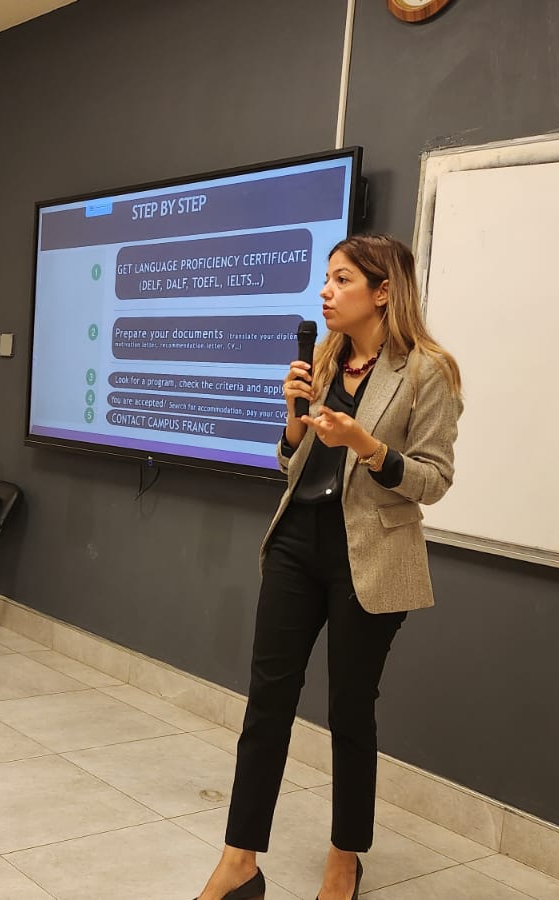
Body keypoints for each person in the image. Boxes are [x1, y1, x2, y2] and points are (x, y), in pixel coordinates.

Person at [195, 234, 463, 900]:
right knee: (267, 703)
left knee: (349, 710)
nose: (326, 291)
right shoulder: (323, 357)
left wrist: (367, 446)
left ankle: (345, 859)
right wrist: (292, 427)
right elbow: (296, 465)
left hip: (368, 554)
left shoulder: (427, 371)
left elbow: (433, 481)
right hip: (297, 542)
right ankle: (239, 860)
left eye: (342, 279)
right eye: (326, 278)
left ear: (383, 291)